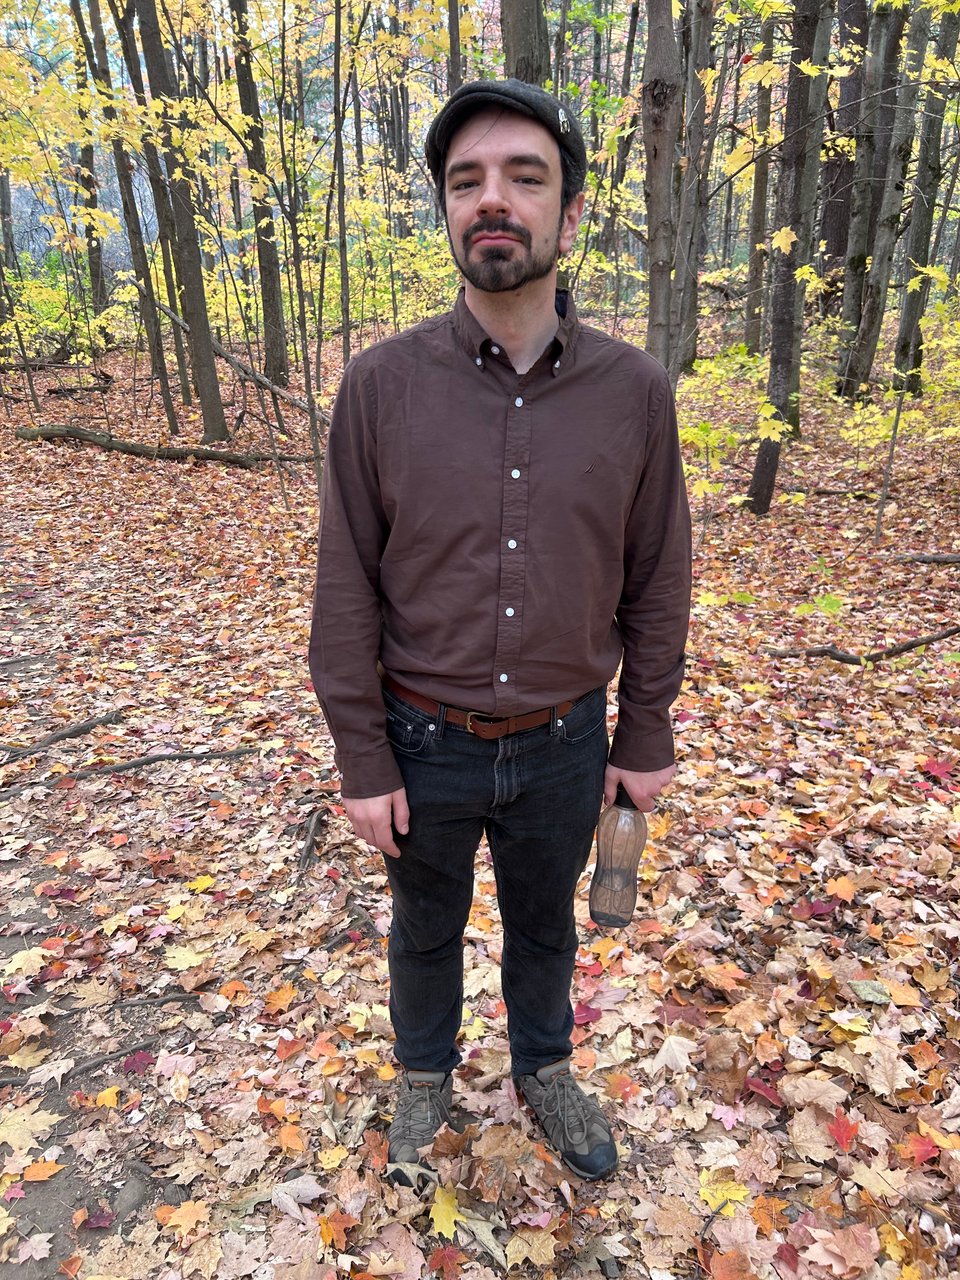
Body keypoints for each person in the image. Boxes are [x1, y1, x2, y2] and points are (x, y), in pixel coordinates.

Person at [309, 79, 691, 1182]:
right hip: (419, 740)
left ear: (570, 216)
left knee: (546, 927)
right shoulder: (380, 389)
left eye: (525, 177)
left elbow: (659, 575)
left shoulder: (634, 393)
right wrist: (361, 754)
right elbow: (346, 587)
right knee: (423, 929)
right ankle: (423, 1076)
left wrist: (645, 731)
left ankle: (543, 1067)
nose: (494, 199)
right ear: (444, 211)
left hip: (569, 740)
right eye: (467, 180)